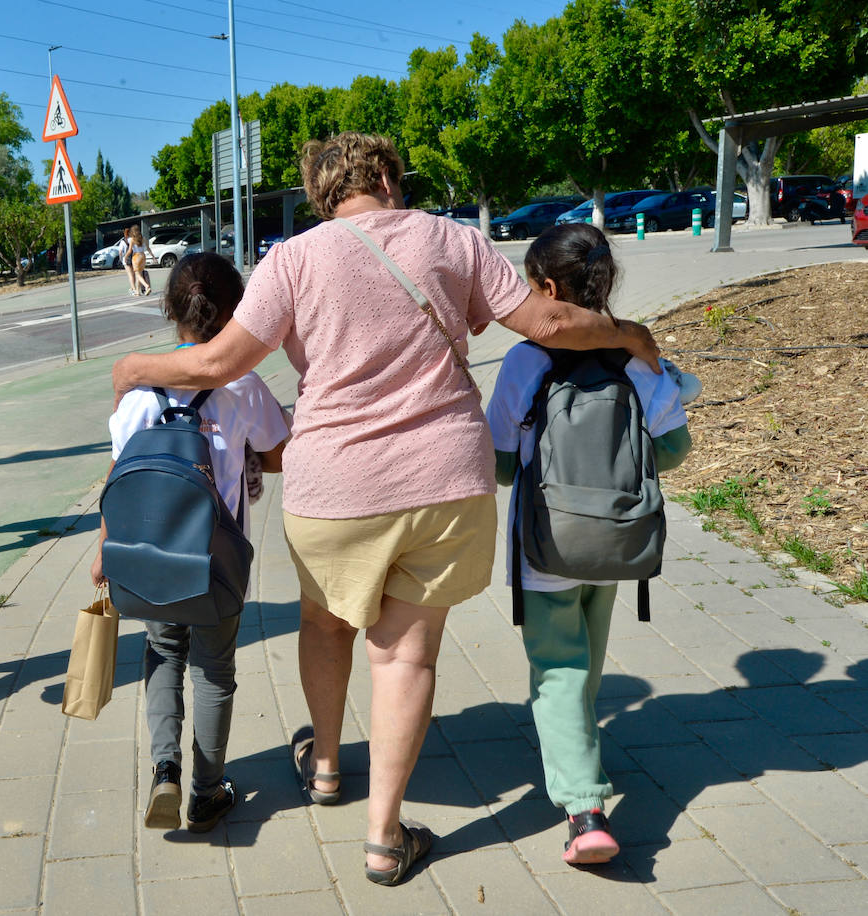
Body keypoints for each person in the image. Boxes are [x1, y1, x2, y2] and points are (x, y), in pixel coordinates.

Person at [111, 132, 661, 886]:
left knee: (324, 622)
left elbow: (218, 363)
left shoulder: (293, 259)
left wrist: (135, 367)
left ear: (321, 193)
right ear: (387, 176)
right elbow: (552, 324)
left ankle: (329, 766)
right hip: (443, 481)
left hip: (332, 488)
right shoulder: (452, 239)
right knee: (406, 655)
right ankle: (383, 837)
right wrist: (633, 334)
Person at [485, 224, 692, 865]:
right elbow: (675, 450)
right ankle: (575, 743)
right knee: (589, 650)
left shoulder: (526, 361)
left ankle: (584, 808)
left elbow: (496, 462)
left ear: (547, 290)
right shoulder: (639, 357)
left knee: (558, 667)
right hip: (616, 541)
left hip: (546, 543)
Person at [91, 252, 290, 833]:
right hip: (216, 559)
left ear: (170, 311)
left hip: (149, 557)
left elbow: (117, 477)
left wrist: (105, 548)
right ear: (236, 312)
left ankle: (164, 771)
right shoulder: (244, 386)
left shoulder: (136, 392)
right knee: (213, 669)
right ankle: (207, 791)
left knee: (162, 653)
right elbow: (277, 452)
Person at [128, 225, 155, 296]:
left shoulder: (132, 240)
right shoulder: (143, 239)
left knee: (137, 274)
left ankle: (146, 286)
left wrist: (125, 257)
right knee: (139, 274)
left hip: (136, 257)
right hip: (143, 256)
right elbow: (148, 248)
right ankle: (137, 291)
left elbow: (130, 250)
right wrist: (153, 257)